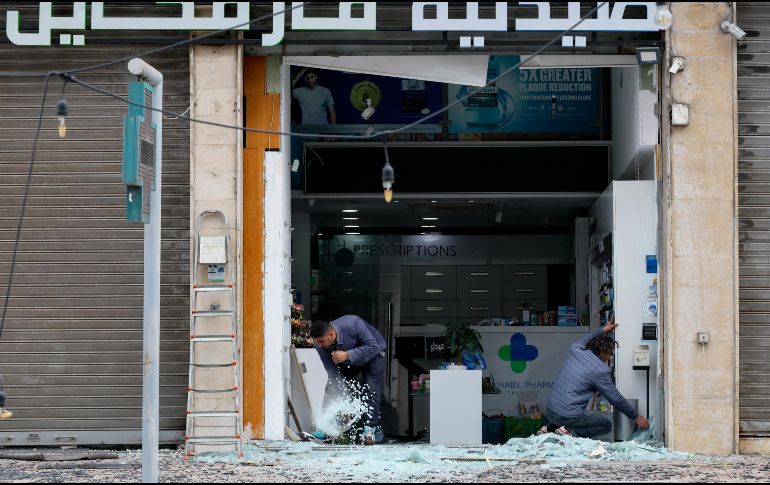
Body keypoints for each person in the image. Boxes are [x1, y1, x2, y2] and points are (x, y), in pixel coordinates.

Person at [543, 321, 650, 439]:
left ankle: (549, 428)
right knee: (605, 425)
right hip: (567, 415)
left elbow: (588, 337)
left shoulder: (576, 349)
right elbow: (615, 398)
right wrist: (635, 416)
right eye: (610, 354)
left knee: (571, 412)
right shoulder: (601, 371)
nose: (610, 357)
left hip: (550, 409)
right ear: (602, 352)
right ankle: (569, 431)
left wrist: (603, 329)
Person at [311, 315, 386, 445]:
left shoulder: (353, 324)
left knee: (371, 388)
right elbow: (333, 373)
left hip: (374, 354)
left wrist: (347, 355)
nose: (319, 345)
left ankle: (369, 430)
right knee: (332, 387)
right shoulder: (320, 346)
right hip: (348, 360)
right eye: (317, 342)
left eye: (322, 341)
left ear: (331, 334)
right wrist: (342, 401)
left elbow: (372, 346)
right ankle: (327, 428)